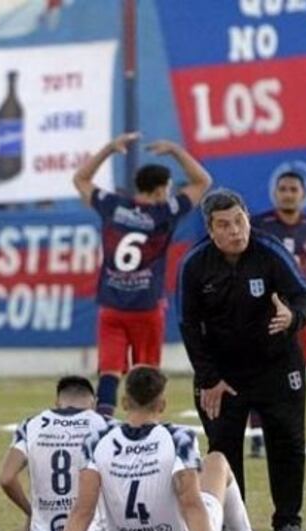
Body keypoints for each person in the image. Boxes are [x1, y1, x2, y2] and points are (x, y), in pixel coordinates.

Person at [17, 366, 274, 531]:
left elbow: (82, 511)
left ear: (125, 402)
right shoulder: (178, 436)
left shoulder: (97, 440)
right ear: (162, 404)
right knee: (217, 461)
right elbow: (192, 505)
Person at [176, 189, 306, 531]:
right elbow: (188, 327)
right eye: (225, 224)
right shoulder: (194, 265)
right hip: (223, 374)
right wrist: (209, 379)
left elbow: (305, 296)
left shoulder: (270, 252)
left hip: (278, 366)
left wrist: (293, 317)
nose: (236, 230)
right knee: (222, 449)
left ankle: (289, 523)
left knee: (288, 442)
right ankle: (223, 524)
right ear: (210, 230)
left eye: (240, 220)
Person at [73, 133, 212, 417]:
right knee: (147, 372)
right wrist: (175, 149)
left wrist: (108, 149)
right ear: (161, 190)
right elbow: (202, 182)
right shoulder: (165, 212)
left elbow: (80, 179)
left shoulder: (113, 206)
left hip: (112, 306)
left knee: (110, 370)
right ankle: (147, 429)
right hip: (147, 308)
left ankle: (104, 427)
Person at [248, 171, 306, 458]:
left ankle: (289, 431)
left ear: (303, 193)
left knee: (294, 373)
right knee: (258, 372)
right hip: (264, 311)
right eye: (283, 189)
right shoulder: (259, 224)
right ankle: (258, 436)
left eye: (293, 189)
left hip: (299, 312)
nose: (288, 194)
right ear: (276, 192)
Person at [0, 376, 110, 531]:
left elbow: (6, 478)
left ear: (57, 402)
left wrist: (32, 513)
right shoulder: (105, 425)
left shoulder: (31, 425)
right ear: (94, 403)